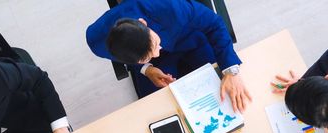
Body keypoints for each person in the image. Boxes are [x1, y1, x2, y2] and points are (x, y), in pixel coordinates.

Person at [86, 0, 251, 112]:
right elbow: (124, 57)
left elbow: (214, 23)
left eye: (156, 44)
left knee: (225, 89)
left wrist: (231, 70)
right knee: (160, 110)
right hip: (157, 66)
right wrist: (146, 69)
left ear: (143, 23)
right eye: (148, 56)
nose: (157, 52)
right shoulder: (98, 41)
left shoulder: (170, 8)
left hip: (190, 40)